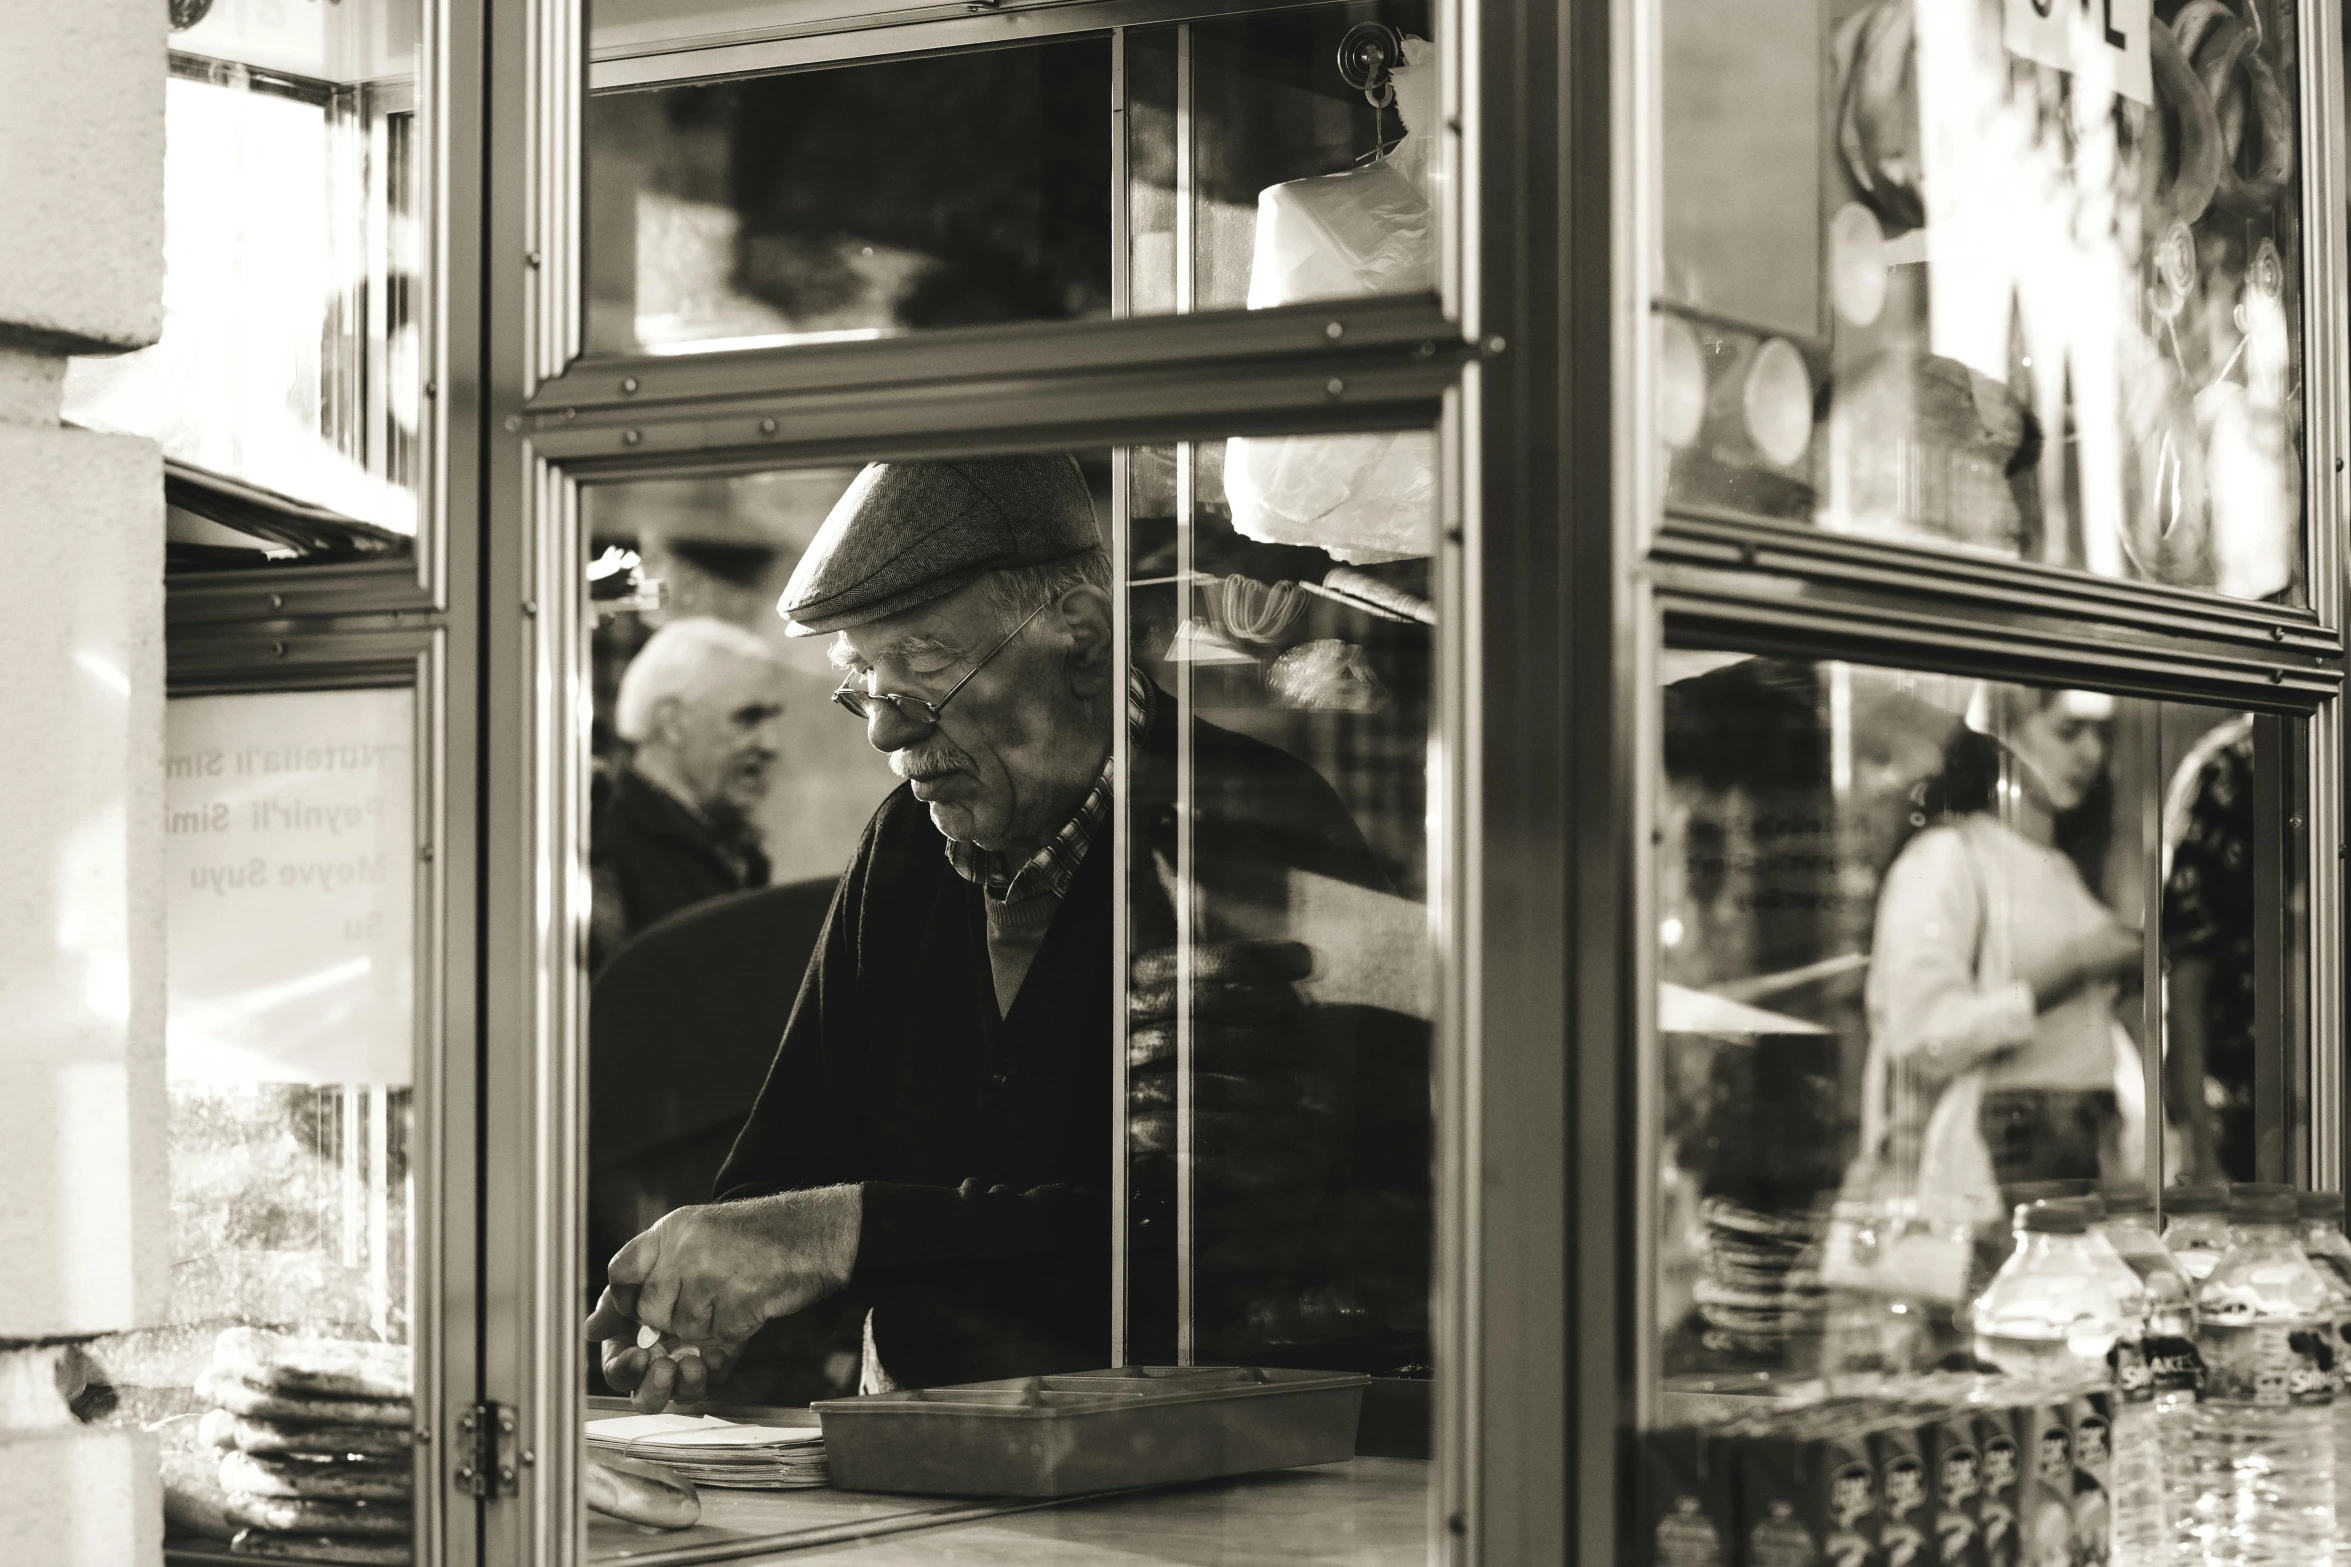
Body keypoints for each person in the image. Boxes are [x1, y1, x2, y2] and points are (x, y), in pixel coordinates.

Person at [584, 456, 1384, 1409]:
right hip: (933, 1464)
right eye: (861, 681)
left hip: (1203, 1477)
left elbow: (1192, 1245)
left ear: (1081, 642)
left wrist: (840, 1232)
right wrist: (712, 1298)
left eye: (919, 671)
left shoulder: (1241, 829)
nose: (884, 730)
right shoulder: (906, 843)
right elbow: (794, 1150)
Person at [1860, 685, 2144, 1197]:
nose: (2091, 754)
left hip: (2077, 1154)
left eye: (2103, 735)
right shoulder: (1949, 857)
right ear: (2002, 734)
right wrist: (2070, 970)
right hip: (1993, 1168)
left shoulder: (2062, 868)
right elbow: (1922, 1038)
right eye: (2067, 731)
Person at [589, 617, 788, 972]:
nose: (771, 745)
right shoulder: (604, 853)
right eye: (748, 718)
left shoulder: (733, 850)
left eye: (773, 718)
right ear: (672, 724)